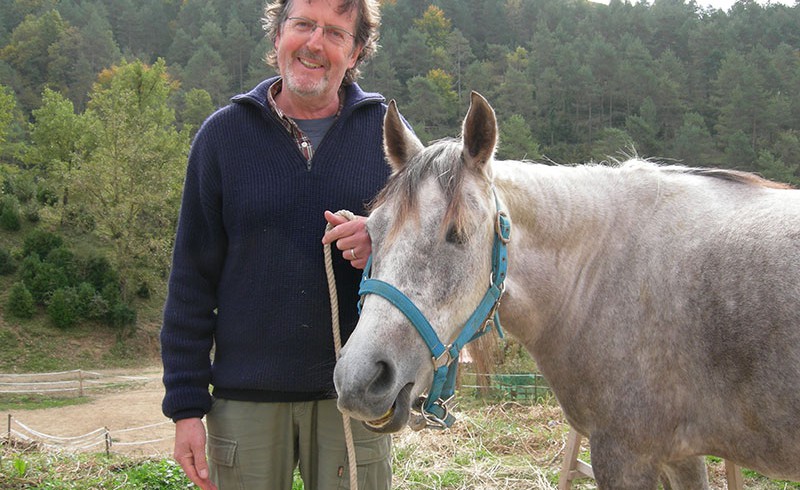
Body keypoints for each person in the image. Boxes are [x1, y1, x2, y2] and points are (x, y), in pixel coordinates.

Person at [160, 0, 394, 488]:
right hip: (243, 402)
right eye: (303, 25)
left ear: (355, 53)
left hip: (352, 393)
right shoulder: (221, 138)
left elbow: (425, 257)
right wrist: (185, 407)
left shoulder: (387, 136)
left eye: (335, 32)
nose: (314, 43)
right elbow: (190, 282)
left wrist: (380, 238)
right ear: (277, 36)